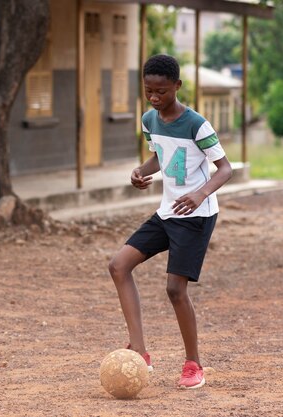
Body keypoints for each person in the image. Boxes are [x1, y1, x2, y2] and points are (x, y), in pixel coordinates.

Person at [108, 54, 232, 390]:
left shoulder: (196, 124)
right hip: (168, 212)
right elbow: (160, 157)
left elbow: (225, 168)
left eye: (161, 90)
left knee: (175, 289)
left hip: (196, 216)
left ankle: (193, 364)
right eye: (148, 90)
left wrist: (200, 194)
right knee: (119, 265)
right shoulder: (149, 119)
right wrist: (140, 172)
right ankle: (140, 352)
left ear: (177, 86)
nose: (154, 97)